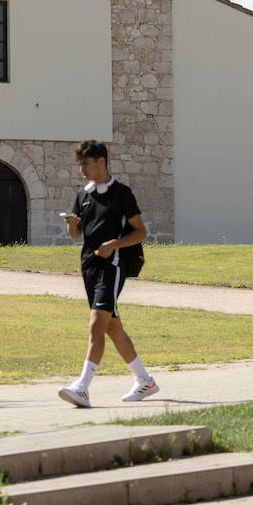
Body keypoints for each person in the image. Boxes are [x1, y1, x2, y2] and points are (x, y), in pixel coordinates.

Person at [57, 139, 159, 407]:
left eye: (86, 164)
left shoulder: (122, 194)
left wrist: (114, 243)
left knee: (95, 324)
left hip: (112, 267)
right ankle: (145, 380)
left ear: (101, 161)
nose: (82, 170)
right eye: (80, 165)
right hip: (88, 267)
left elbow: (140, 232)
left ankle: (83, 387)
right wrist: (72, 225)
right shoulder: (84, 195)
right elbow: (76, 236)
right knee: (112, 327)